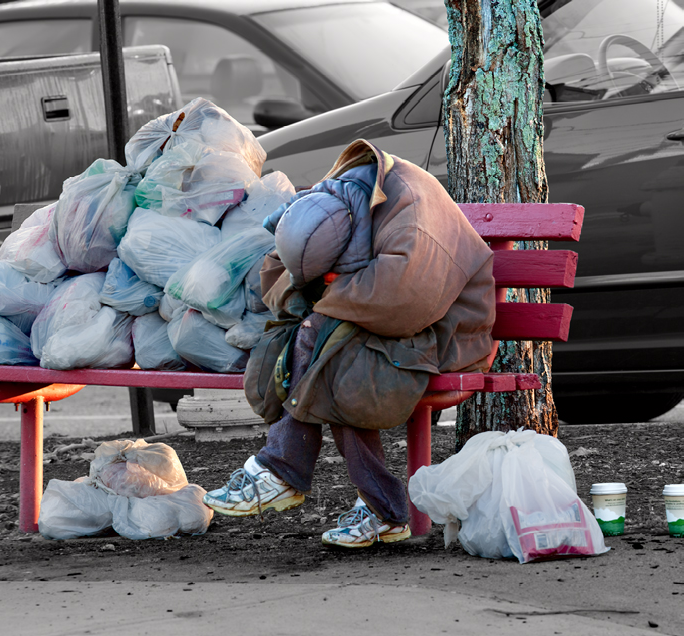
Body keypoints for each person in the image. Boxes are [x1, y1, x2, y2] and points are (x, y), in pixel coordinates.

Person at [203, 139, 497, 548]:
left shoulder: (410, 212)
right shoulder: (332, 197)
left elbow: (407, 299)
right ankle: (381, 510)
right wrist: (318, 290)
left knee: (334, 356)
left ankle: (283, 471)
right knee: (321, 349)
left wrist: (325, 299)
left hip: (445, 336)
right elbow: (276, 274)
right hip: (384, 327)